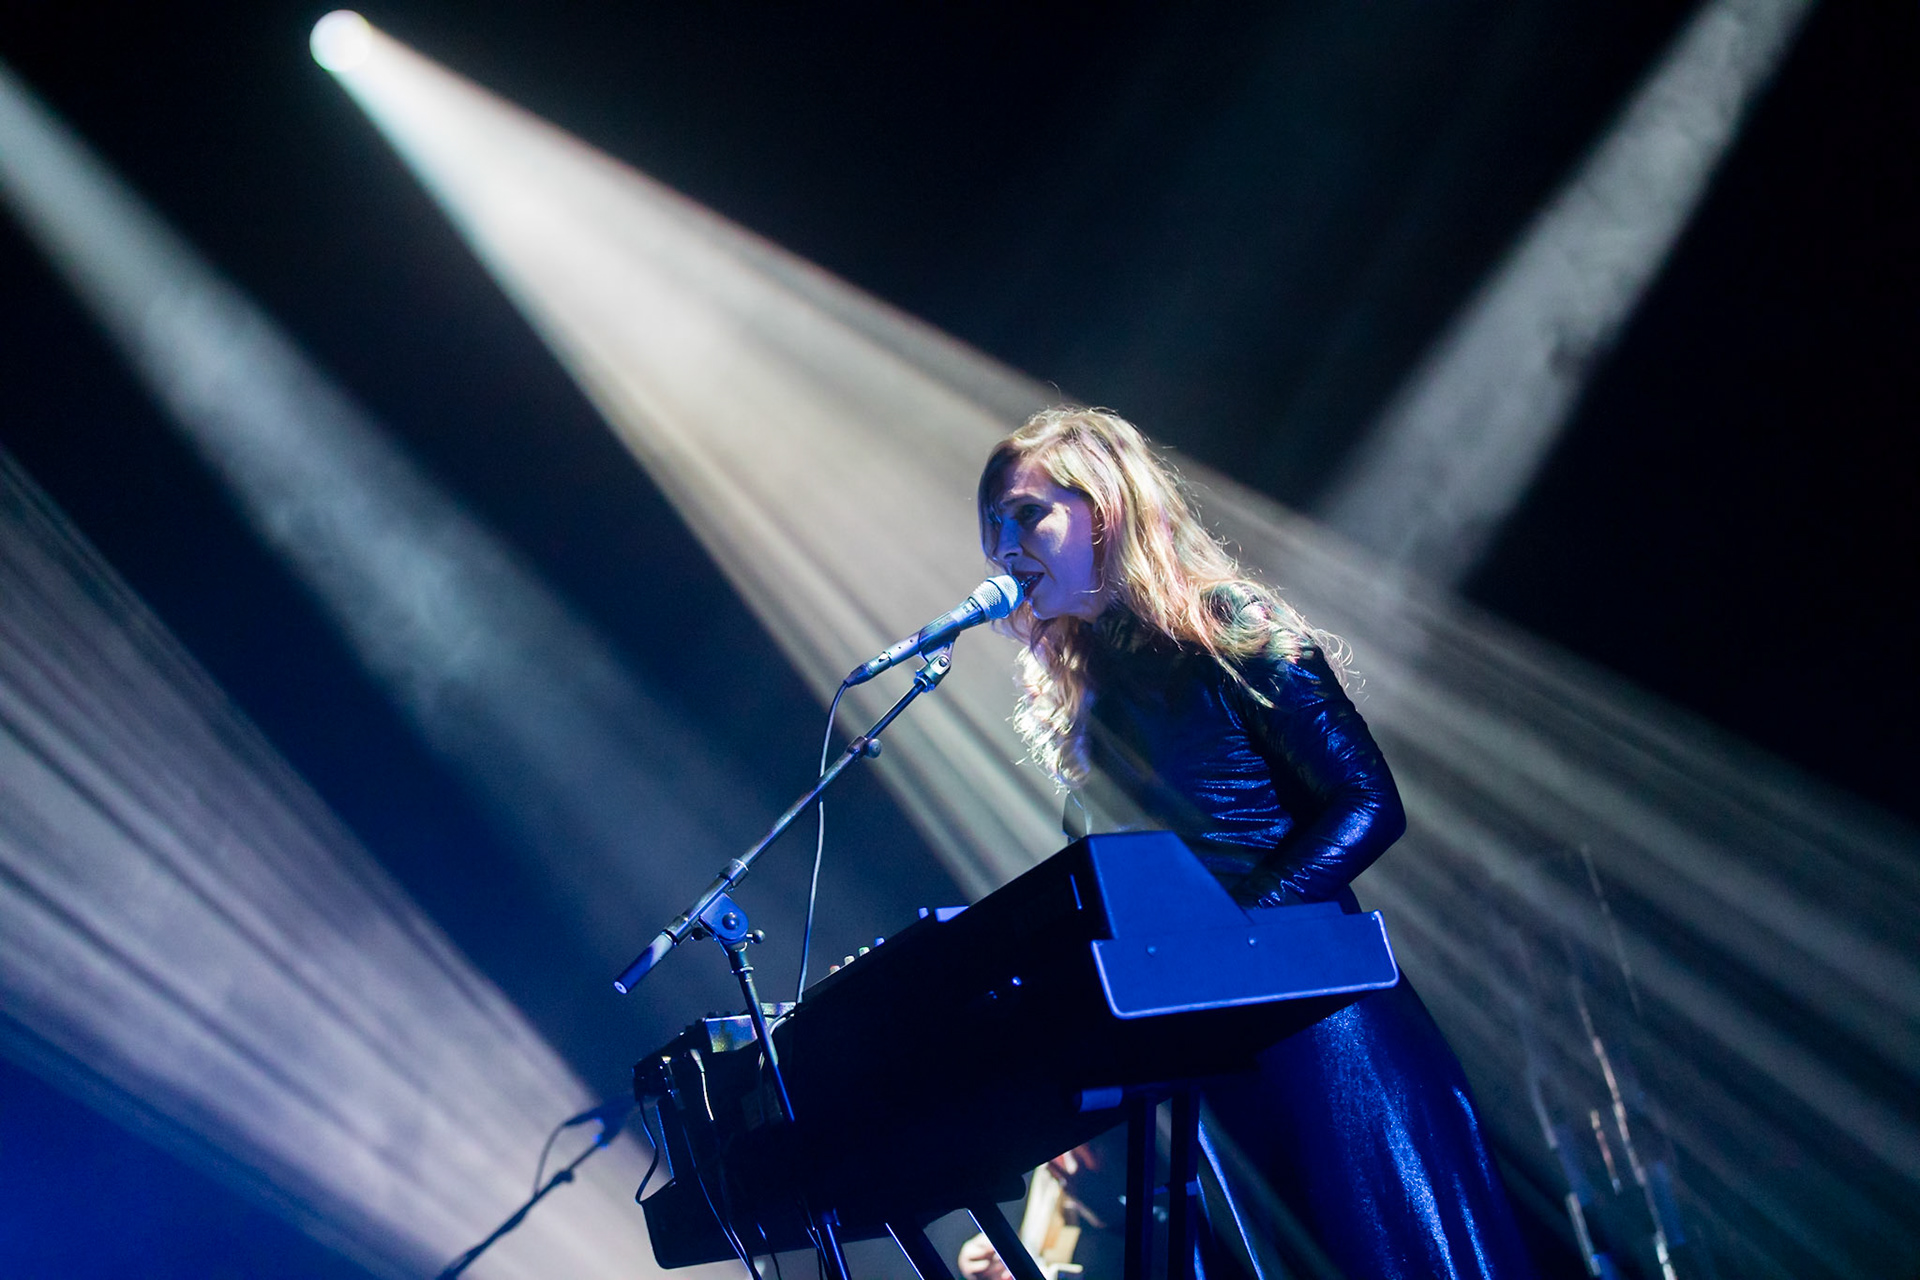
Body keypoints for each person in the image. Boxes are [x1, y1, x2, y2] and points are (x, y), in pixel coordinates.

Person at [976, 407, 1536, 1280]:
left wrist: (1235, 941)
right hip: (1215, 1052)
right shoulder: (1087, 696)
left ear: (1106, 511)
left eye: (1026, 513)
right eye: (991, 522)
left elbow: (1367, 801)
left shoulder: (1223, 622)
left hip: (1323, 1029)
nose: (1002, 542)